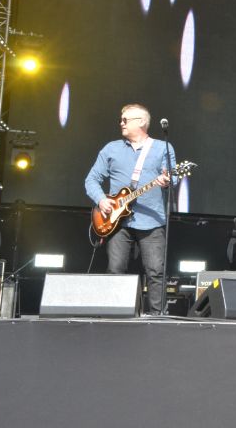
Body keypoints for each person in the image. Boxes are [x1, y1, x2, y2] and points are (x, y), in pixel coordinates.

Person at [85, 104, 176, 315]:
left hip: (152, 221)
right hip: (117, 222)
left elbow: (173, 178)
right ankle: (114, 316)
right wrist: (101, 200)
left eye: (125, 120)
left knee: (156, 271)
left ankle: (158, 318)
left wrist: (167, 181)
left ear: (141, 122)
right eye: (121, 120)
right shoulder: (111, 148)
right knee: (115, 270)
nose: (121, 123)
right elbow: (91, 179)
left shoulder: (162, 148)